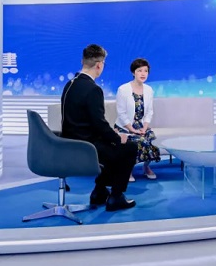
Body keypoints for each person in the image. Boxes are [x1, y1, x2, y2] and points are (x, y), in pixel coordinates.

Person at [60, 44, 137, 212]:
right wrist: (118, 137)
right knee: (129, 147)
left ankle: (99, 192)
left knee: (112, 144)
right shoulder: (93, 89)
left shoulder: (70, 84)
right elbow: (99, 124)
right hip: (87, 147)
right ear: (99, 65)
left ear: (83, 61)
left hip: (69, 144)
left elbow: (84, 122)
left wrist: (111, 136)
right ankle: (116, 196)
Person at [115, 58, 160, 181]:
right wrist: (132, 130)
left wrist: (144, 128)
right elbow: (121, 113)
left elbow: (149, 111)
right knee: (140, 141)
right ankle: (128, 170)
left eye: (145, 71)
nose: (143, 74)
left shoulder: (149, 90)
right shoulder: (123, 89)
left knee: (150, 139)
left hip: (141, 126)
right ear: (133, 72)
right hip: (125, 127)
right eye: (139, 70)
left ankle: (146, 167)